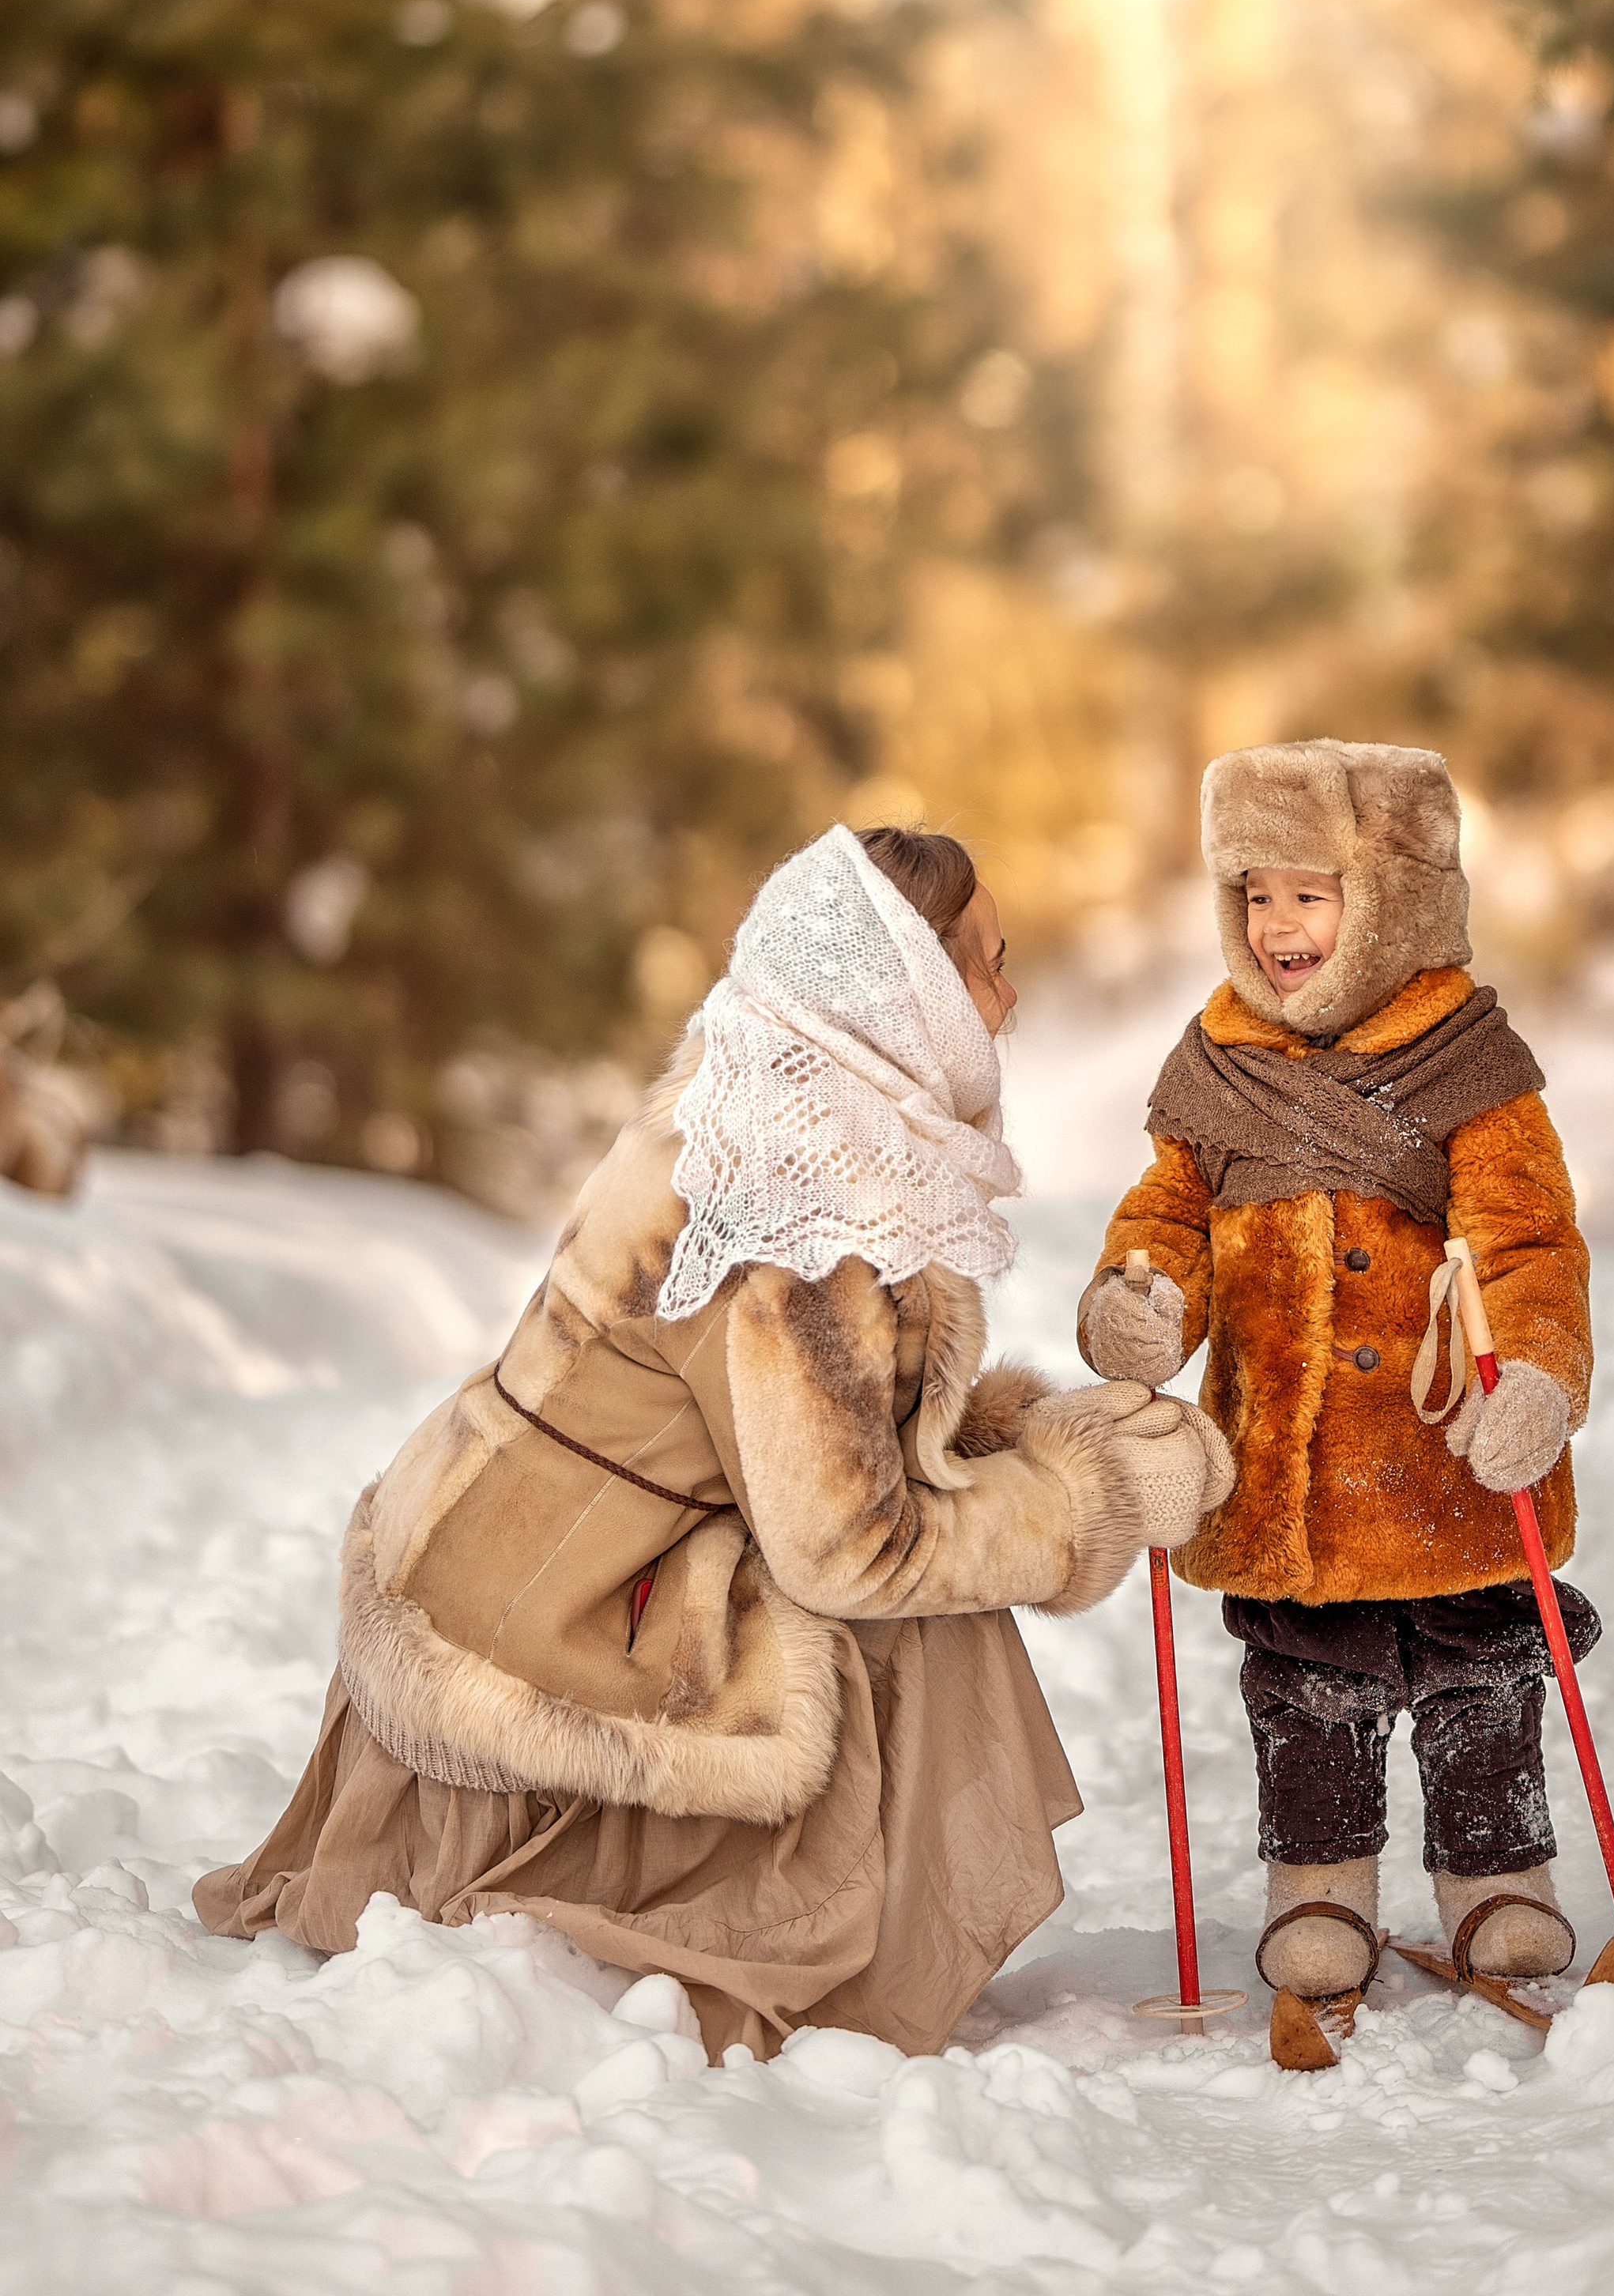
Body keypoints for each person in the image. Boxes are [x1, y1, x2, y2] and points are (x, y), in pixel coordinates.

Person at [198, 821, 1232, 2061]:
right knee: (923, 1610)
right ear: (905, 990)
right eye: (989, 966)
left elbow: (824, 1426)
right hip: (544, 1632)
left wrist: (1030, 1436)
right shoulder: (796, 1212)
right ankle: (790, 1934)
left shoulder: (761, 1092)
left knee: (937, 1551)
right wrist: (1090, 1497)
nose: (1010, 1004)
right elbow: (853, 1551)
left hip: (490, 1550)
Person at [1080, 741, 1595, 2056]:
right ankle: (1320, 1891)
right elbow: (1168, 1214)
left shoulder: (1467, 1058)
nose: (1278, 924)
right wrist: (1145, 1297)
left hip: (1448, 1464)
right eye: (1255, 896)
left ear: (1393, 902)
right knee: (1306, 1691)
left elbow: (1530, 1241)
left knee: (1482, 1681)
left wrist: (1537, 1374)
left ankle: (1498, 1880)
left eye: (1310, 894)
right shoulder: (1219, 1062)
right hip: (1291, 1478)